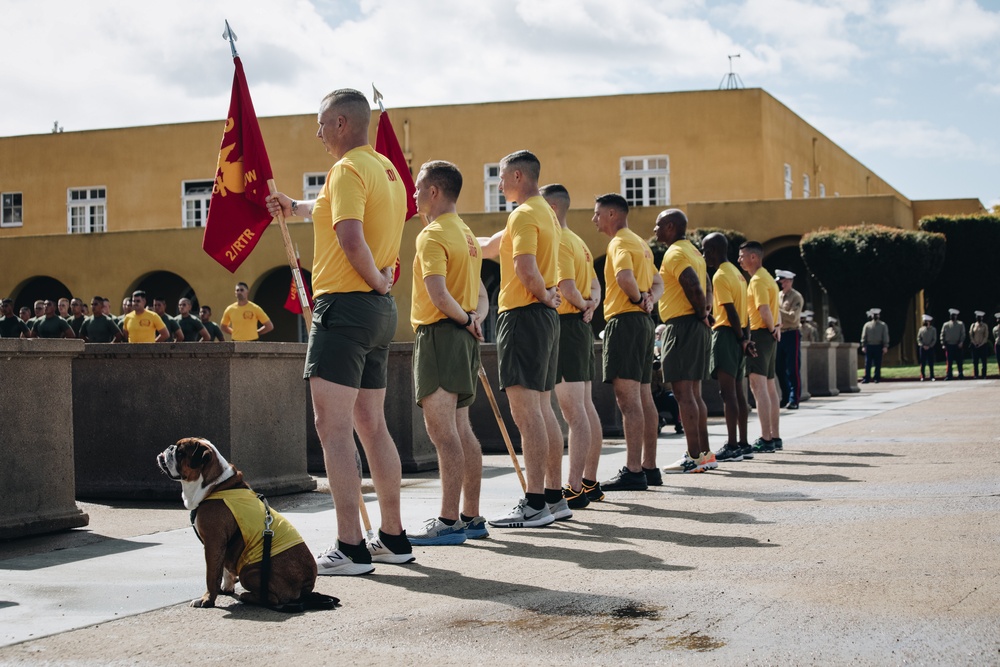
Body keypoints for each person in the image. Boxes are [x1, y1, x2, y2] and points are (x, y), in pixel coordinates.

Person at [265, 88, 411, 575]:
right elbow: (332, 210)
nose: (318, 132)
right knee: (372, 424)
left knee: (332, 429)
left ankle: (350, 547)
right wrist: (296, 207)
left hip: (346, 306)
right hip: (376, 312)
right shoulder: (386, 170)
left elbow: (349, 237)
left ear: (343, 123)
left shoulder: (346, 169)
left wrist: (375, 280)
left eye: (322, 123)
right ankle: (392, 536)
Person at [478, 150, 564, 528]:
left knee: (526, 413)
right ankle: (552, 497)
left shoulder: (524, 213)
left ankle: (533, 503)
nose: (497, 185)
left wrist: (544, 293)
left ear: (516, 176)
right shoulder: (542, 212)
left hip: (524, 314)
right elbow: (487, 246)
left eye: (499, 177)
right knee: (542, 410)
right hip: (540, 317)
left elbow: (525, 268)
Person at [407, 160, 490, 546]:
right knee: (460, 429)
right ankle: (471, 516)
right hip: (462, 334)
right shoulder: (469, 236)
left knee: (442, 432)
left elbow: (438, 294)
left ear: (434, 192)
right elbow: (483, 295)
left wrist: (462, 319)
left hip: (441, 335)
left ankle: (448, 520)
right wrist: (474, 319)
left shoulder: (433, 234)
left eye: (419, 187)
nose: (414, 194)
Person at [591, 194, 663, 489]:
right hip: (643, 322)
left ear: (611, 214)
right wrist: (649, 301)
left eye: (597, 214)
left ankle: (633, 471)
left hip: (625, 321)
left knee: (628, 399)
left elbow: (623, 277)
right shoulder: (641, 243)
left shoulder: (619, 242)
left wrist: (636, 298)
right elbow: (658, 282)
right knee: (645, 397)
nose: (594, 219)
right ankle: (649, 466)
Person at [541, 183, 605, 508]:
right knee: (586, 407)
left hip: (568, 325)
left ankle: (574, 486)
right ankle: (589, 481)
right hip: (581, 326)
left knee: (573, 412)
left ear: (551, 209)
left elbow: (565, 285)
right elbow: (594, 282)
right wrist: (591, 304)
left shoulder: (561, 241)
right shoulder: (579, 241)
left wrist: (581, 305)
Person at [656, 210, 715, 474]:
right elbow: (707, 284)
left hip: (682, 325)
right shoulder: (693, 251)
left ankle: (693, 456)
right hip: (694, 324)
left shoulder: (675, 253)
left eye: (658, 225)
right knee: (694, 394)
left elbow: (693, 285)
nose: (655, 230)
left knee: (683, 394)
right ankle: (704, 454)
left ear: (670, 227)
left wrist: (703, 313)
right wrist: (705, 313)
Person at [703, 232, 754, 463]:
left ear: (713, 251)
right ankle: (743, 443)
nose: (704, 256)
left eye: (705, 251)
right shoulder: (738, 274)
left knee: (728, 393)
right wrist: (746, 338)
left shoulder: (720, 275)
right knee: (739, 392)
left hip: (726, 335)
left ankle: (732, 445)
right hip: (739, 333)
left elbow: (732, 311)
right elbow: (744, 312)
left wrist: (739, 336)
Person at [738, 241, 783, 453]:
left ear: (753, 257)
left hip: (759, 333)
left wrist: (772, 327)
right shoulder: (768, 279)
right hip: (770, 335)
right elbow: (776, 308)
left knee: (759, 388)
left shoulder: (756, 281)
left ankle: (765, 438)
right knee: (771, 387)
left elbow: (764, 308)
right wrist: (777, 327)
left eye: (742, 256)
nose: (739, 260)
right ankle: (774, 435)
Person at [775, 269, 803, 409]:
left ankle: (794, 399)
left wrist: (775, 309)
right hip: (780, 333)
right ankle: (785, 397)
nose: (782, 283)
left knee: (793, 368)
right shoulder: (778, 296)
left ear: (790, 281)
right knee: (779, 368)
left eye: (785, 280)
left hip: (792, 333)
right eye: (781, 280)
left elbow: (793, 317)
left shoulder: (796, 297)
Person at [860, 308, 889, 383]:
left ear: (879, 315)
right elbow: (864, 336)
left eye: (877, 315)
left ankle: (877, 377)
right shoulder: (867, 325)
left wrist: (885, 346)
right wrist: (863, 345)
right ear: (871, 316)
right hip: (869, 346)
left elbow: (885, 336)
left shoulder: (883, 325)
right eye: (874, 315)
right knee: (867, 363)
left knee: (878, 363)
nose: (875, 316)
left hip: (878, 346)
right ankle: (867, 378)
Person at [940, 308, 965, 380]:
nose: (952, 317)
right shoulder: (946, 324)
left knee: (959, 361)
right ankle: (949, 375)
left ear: (956, 316)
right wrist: (943, 344)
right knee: (949, 361)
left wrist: (961, 342)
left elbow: (963, 334)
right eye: (951, 315)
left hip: (957, 345)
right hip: (949, 345)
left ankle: (960, 374)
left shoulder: (960, 324)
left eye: (954, 315)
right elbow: (942, 334)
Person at [969, 311, 990, 379]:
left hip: (983, 345)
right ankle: (976, 375)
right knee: (975, 362)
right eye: (977, 317)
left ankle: (984, 375)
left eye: (980, 317)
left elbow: (986, 336)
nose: (978, 318)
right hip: (975, 346)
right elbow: (971, 335)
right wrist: (974, 343)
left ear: (982, 318)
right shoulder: (973, 325)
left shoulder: (985, 326)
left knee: (984, 361)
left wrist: (981, 344)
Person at [917, 314, 937, 381]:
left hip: (930, 348)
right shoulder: (921, 329)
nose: (925, 322)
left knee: (931, 362)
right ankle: (922, 376)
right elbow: (919, 338)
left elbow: (934, 339)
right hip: (923, 348)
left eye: (927, 321)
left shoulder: (933, 329)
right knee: (922, 363)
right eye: (925, 321)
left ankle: (932, 376)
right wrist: (923, 345)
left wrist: (930, 346)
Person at [993, 313, 1000, 377]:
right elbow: (994, 336)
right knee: (999, 360)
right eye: (998, 319)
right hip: (998, 345)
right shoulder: (995, 328)